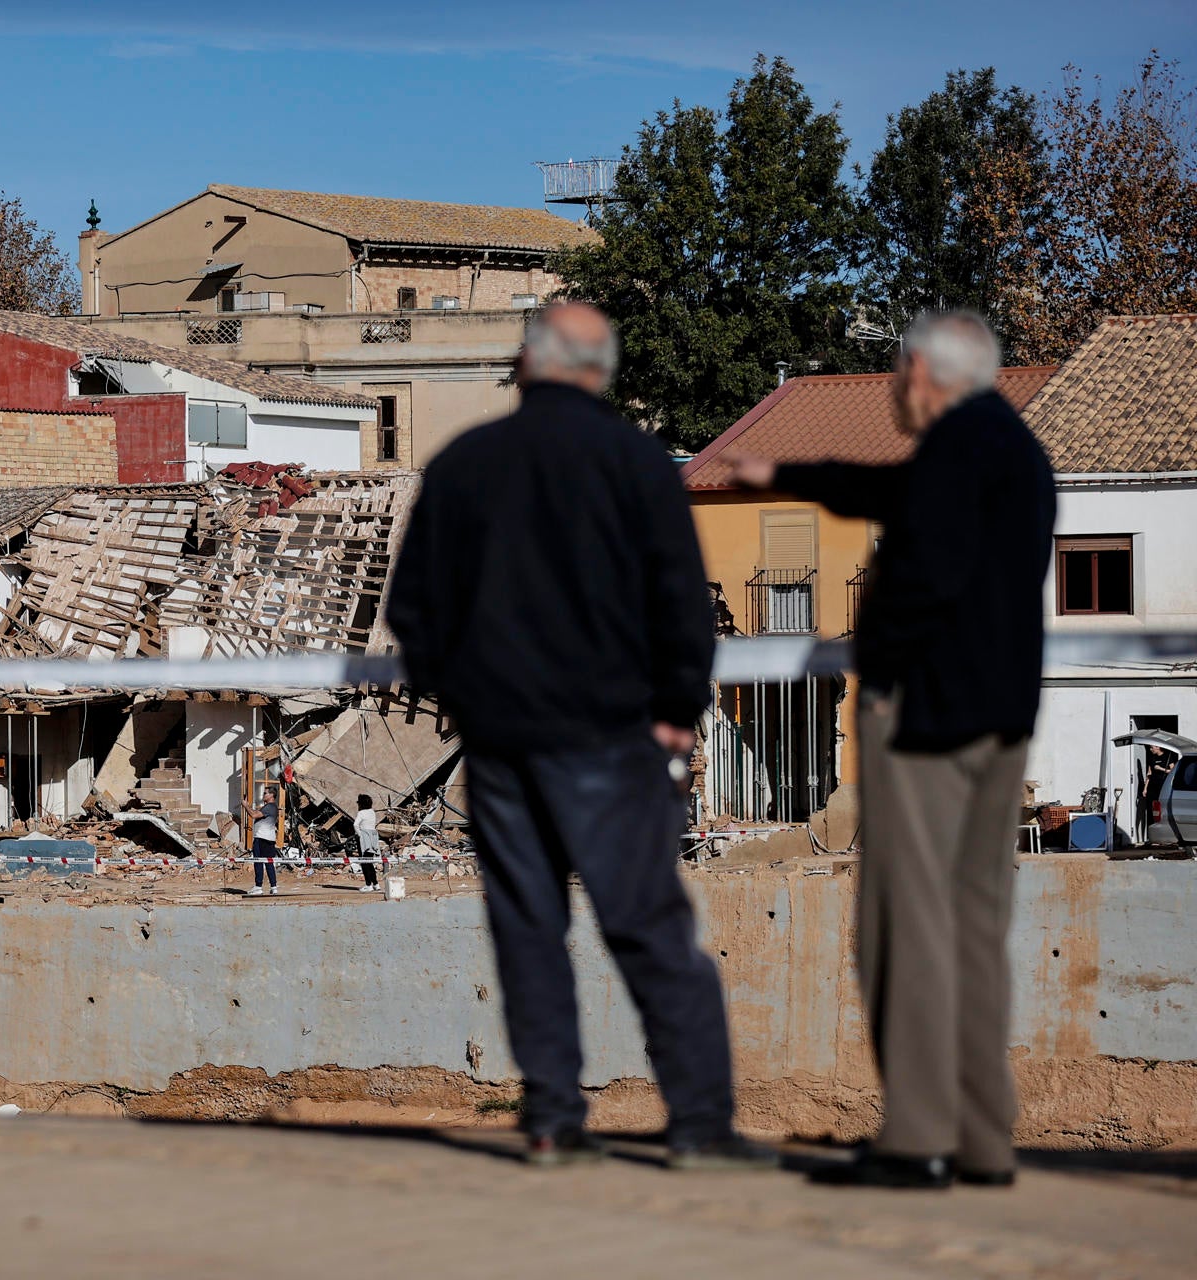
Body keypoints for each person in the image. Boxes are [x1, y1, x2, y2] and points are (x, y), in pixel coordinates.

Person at [388, 304, 770, 1171]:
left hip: (499, 739)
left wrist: (466, 695)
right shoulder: (635, 461)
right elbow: (682, 601)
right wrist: (677, 707)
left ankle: (556, 1118)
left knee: (528, 927)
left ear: (528, 364)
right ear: (601, 371)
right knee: (646, 927)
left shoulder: (465, 463)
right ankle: (700, 1126)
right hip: (612, 736)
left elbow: (411, 608)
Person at [730, 311, 1055, 1189]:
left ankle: (916, 1137)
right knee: (974, 931)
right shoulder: (1011, 446)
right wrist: (784, 471)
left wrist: (877, 672)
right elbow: (892, 493)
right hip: (999, 720)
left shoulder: (956, 448)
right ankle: (984, 1140)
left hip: (929, 716)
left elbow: (929, 565)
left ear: (920, 374)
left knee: (903, 930)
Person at [245, 790, 280, 896]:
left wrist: (246, 806)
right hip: (268, 838)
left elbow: (254, 815)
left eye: (266, 793)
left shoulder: (269, 806)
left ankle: (258, 886)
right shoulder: (271, 807)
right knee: (269, 863)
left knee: (258, 862)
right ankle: (273, 887)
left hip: (261, 838)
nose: (263, 795)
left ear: (272, 795)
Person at [354, 794, 383, 891]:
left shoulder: (361, 813)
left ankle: (368, 884)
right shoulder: (372, 812)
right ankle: (375, 883)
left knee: (364, 862)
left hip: (364, 837)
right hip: (373, 837)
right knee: (369, 861)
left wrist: (360, 834)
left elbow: (355, 825)